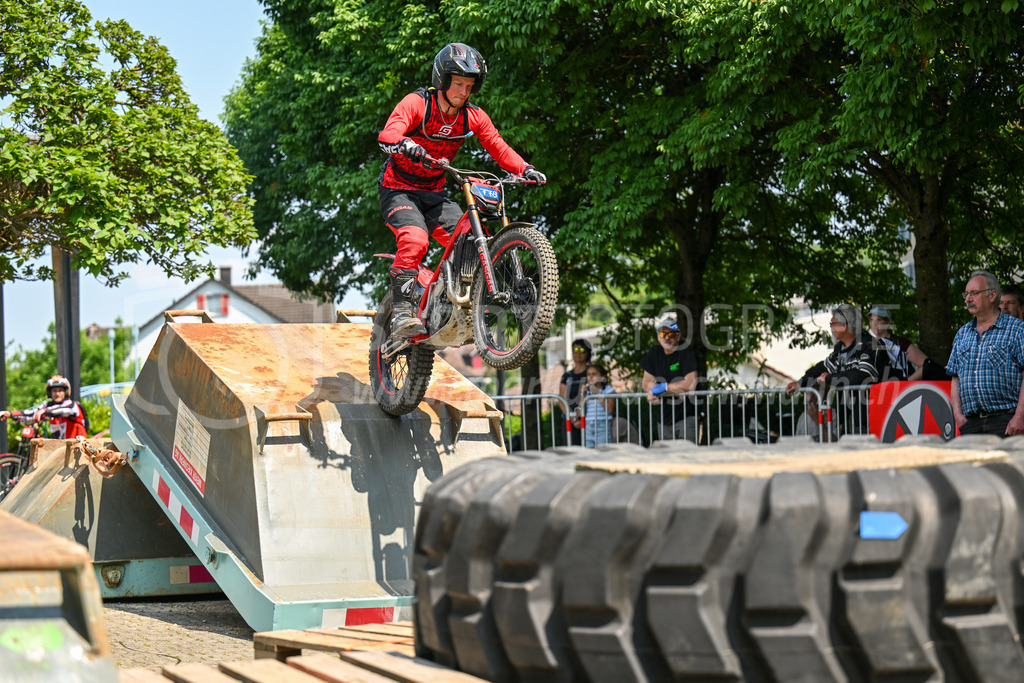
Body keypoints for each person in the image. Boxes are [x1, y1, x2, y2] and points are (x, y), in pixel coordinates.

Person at [377, 43, 546, 338]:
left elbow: (498, 146)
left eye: (469, 86)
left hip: (434, 192)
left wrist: (525, 169)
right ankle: (402, 312)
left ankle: (457, 304)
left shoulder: (473, 116)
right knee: (415, 240)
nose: (463, 91)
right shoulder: (418, 103)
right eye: (458, 84)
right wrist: (403, 143)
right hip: (398, 189)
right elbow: (388, 133)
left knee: (472, 240)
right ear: (442, 80)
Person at [786, 304, 897, 435]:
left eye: (833, 323)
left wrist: (829, 378)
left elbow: (862, 376)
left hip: (876, 416)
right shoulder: (840, 348)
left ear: (844, 325)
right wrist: (800, 383)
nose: (830, 327)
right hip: (852, 419)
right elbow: (823, 367)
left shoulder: (870, 345)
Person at [946, 271, 1024, 437]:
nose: (968, 299)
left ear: (992, 295)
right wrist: (958, 415)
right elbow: (955, 377)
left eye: (974, 293)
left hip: (1007, 421)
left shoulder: (1017, 329)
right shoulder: (962, 333)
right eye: (966, 294)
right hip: (971, 423)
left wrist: (1020, 416)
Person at [641, 316, 699, 443]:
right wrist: (676, 390)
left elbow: (690, 385)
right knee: (666, 455)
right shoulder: (654, 353)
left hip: (687, 417)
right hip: (663, 419)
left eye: (671, 334)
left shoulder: (686, 351)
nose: (667, 337)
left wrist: (663, 388)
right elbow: (646, 385)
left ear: (678, 336)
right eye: (663, 334)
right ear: (658, 337)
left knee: (688, 454)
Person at [0, 375, 88, 440]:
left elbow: (60, 411)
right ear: (50, 393)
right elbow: (32, 412)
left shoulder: (72, 405)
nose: (57, 394)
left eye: (60, 390)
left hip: (77, 448)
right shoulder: (47, 406)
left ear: (66, 392)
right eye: (54, 391)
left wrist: (44, 411)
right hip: (60, 448)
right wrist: (10, 414)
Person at [868, 306, 932, 381]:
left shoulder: (901, 343)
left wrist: (906, 382)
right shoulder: (869, 345)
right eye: (871, 320)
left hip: (902, 388)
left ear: (888, 322)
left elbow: (926, 365)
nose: (874, 324)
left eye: (879, 320)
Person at [559, 339, 590, 446]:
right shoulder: (567, 376)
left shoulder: (592, 373)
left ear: (588, 353)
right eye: (575, 350)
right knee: (570, 450)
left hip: (589, 418)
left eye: (582, 350)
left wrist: (582, 418)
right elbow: (561, 399)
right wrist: (571, 417)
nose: (578, 353)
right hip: (569, 418)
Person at [582, 364, 616, 447]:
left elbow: (609, 409)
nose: (591, 377)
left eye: (594, 374)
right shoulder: (587, 391)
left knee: (603, 451)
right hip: (588, 425)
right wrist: (583, 395)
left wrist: (597, 392)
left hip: (603, 425)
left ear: (602, 377)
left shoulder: (608, 389)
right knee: (588, 451)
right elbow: (580, 411)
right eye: (588, 374)